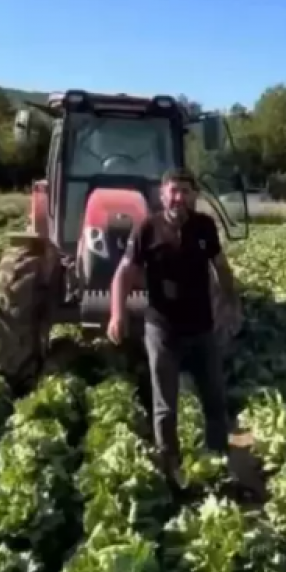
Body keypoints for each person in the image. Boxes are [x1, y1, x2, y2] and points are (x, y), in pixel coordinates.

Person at [107, 168, 238, 490]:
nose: (179, 197)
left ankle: (217, 461)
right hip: (162, 329)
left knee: (215, 399)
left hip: (202, 328)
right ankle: (170, 467)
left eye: (185, 191)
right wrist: (117, 314)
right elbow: (124, 273)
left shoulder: (205, 226)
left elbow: (220, 267)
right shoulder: (147, 228)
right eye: (174, 191)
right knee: (165, 405)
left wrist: (231, 303)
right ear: (162, 195)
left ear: (194, 196)